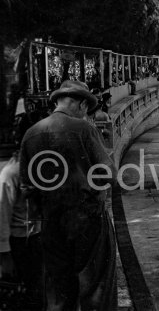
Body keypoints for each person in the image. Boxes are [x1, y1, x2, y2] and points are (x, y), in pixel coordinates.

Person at [19, 80, 117, 311]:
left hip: (50, 223)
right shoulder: (83, 129)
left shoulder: (31, 134)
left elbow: (26, 188)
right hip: (87, 220)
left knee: (59, 293)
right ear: (81, 104)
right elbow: (109, 174)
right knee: (96, 289)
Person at [0, 113, 43, 310]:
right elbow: (2, 215)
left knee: (37, 291)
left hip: (37, 238)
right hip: (18, 242)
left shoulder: (39, 168)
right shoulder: (11, 173)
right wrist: (5, 255)